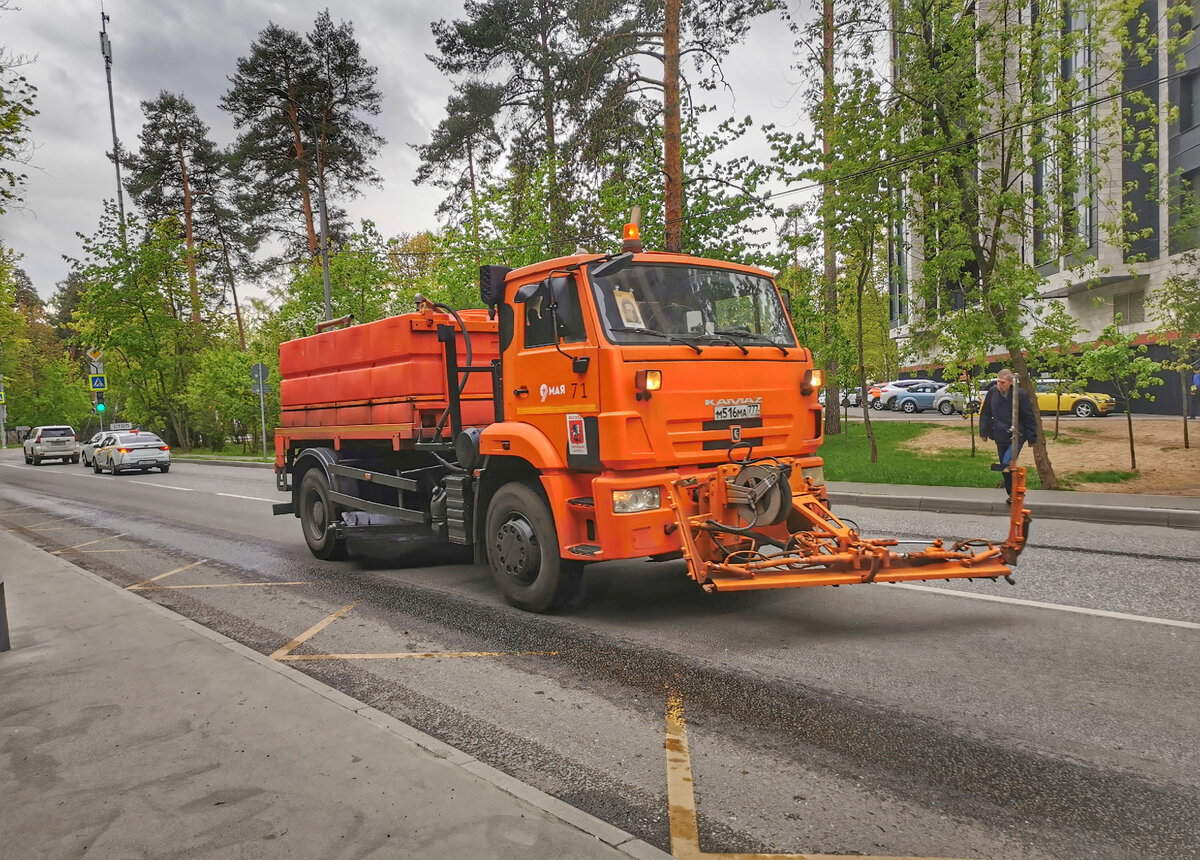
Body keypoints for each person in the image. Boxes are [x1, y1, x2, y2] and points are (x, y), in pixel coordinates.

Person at [979, 369, 1038, 504]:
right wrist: (983, 432)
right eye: (998, 381)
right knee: (1005, 469)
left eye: (1003, 382)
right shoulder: (993, 392)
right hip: (999, 435)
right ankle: (1012, 493)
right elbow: (985, 413)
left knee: (1007, 462)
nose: (1000, 385)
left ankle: (1017, 490)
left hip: (1017, 435)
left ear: (1011, 383)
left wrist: (1032, 437)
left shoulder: (1020, 394)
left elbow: (1029, 416)